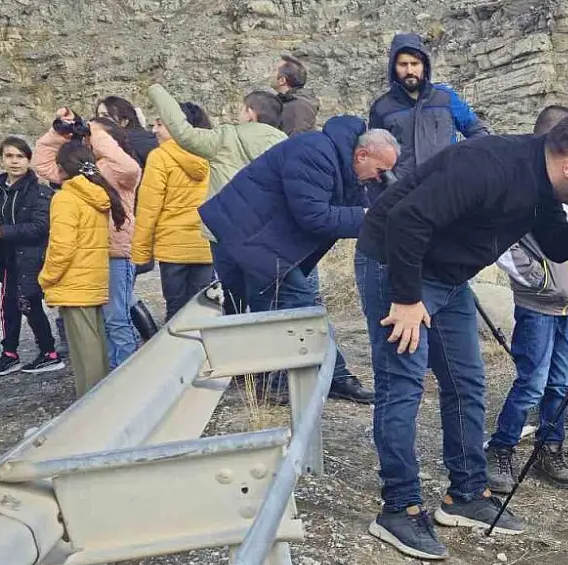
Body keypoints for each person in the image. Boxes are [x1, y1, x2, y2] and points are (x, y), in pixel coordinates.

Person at [354, 112, 568, 560]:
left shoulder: (542, 186)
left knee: (466, 383)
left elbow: (555, 246)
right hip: (396, 264)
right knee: (402, 385)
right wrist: (405, 299)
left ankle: (465, 494)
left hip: (446, 276)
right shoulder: (489, 166)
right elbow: (406, 220)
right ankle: (398, 508)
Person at [199, 116, 398, 405]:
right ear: (362, 154)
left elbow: (351, 209)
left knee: (270, 307)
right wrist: (369, 217)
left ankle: (277, 381)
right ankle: (335, 378)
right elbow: (315, 216)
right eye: (380, 171)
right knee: (300, 304)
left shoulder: (340, 162)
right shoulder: (315, 153)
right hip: (251, 236)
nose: (379, 178)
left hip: (256, 235)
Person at [486, 106, 568, 494]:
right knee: (532, 383)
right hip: (537, 307)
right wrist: (539, 282)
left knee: (562, 382)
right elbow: (505, 245)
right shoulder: (528, 192)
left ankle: (550, 447)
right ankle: (501, 447)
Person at [146, 84, 288, 314]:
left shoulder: (226, 138)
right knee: (264, 294)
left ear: (250, 113)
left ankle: (234, 339)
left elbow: (183, 133)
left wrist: (157, 91)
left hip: (226, 233)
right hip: (267, 233)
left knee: (233, 296)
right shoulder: (286, 144)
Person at [33, 109, 141, 369]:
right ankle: (108, 376)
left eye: (96, 137)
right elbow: (43, 164)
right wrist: (58, 133)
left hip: (115, 252)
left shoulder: (117, 170)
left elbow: (129, 167)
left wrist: (96, 131)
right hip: (89, 255)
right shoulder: (83, 172)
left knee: (117, 318)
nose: (90, 139)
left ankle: (127, 374)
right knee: (99, 322)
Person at [39, 142, 123, 397]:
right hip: (93, 278)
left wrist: (46, 278)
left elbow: (62, 247)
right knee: (96, 345)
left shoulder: (66, 198)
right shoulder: (96, 194)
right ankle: (103, 399)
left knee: (84, 351)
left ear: (62, 169)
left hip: (74, 281)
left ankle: (92, 405)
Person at [0, 136, 65, 376]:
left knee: (28, 302)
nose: (14, 161)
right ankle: (10, 353)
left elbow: (40, 228)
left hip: (31, 257)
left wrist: (1, 231)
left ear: (28, 160)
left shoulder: (40, 191)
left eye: (20, 156)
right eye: (9, 156)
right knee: (7, 305)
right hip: (6, 258)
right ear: (1, 159)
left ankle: (49, 353)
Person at [368, 32, 490, 181]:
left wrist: (463, 164)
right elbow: (375, 158)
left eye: (415, 64)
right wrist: (390, 183)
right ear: (393, 68)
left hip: (447, 188)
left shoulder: (445, 98)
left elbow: (478, 132)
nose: (409, 71)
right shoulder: (382, 108)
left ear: (424, 66)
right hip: (405, 195)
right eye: (403, 64)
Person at [133, 103, 214, 320]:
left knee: (176, 312)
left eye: (161, 124)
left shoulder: (160, 156)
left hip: (173, 248)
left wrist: (141, 251)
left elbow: (149, 209)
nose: (154, 130)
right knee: (205, 309)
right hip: (206, 244)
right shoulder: (213, 151)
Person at [95, 95, 160, 168]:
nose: (99, 120)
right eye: (98, 116)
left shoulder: (128, 145)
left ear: (124, 121)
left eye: (106, 116)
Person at [273, 53, 320, 136]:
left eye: (274, 70)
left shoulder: (297, 107)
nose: (270, 74)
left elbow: (294, 143)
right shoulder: (286, 101)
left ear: (282, 80)